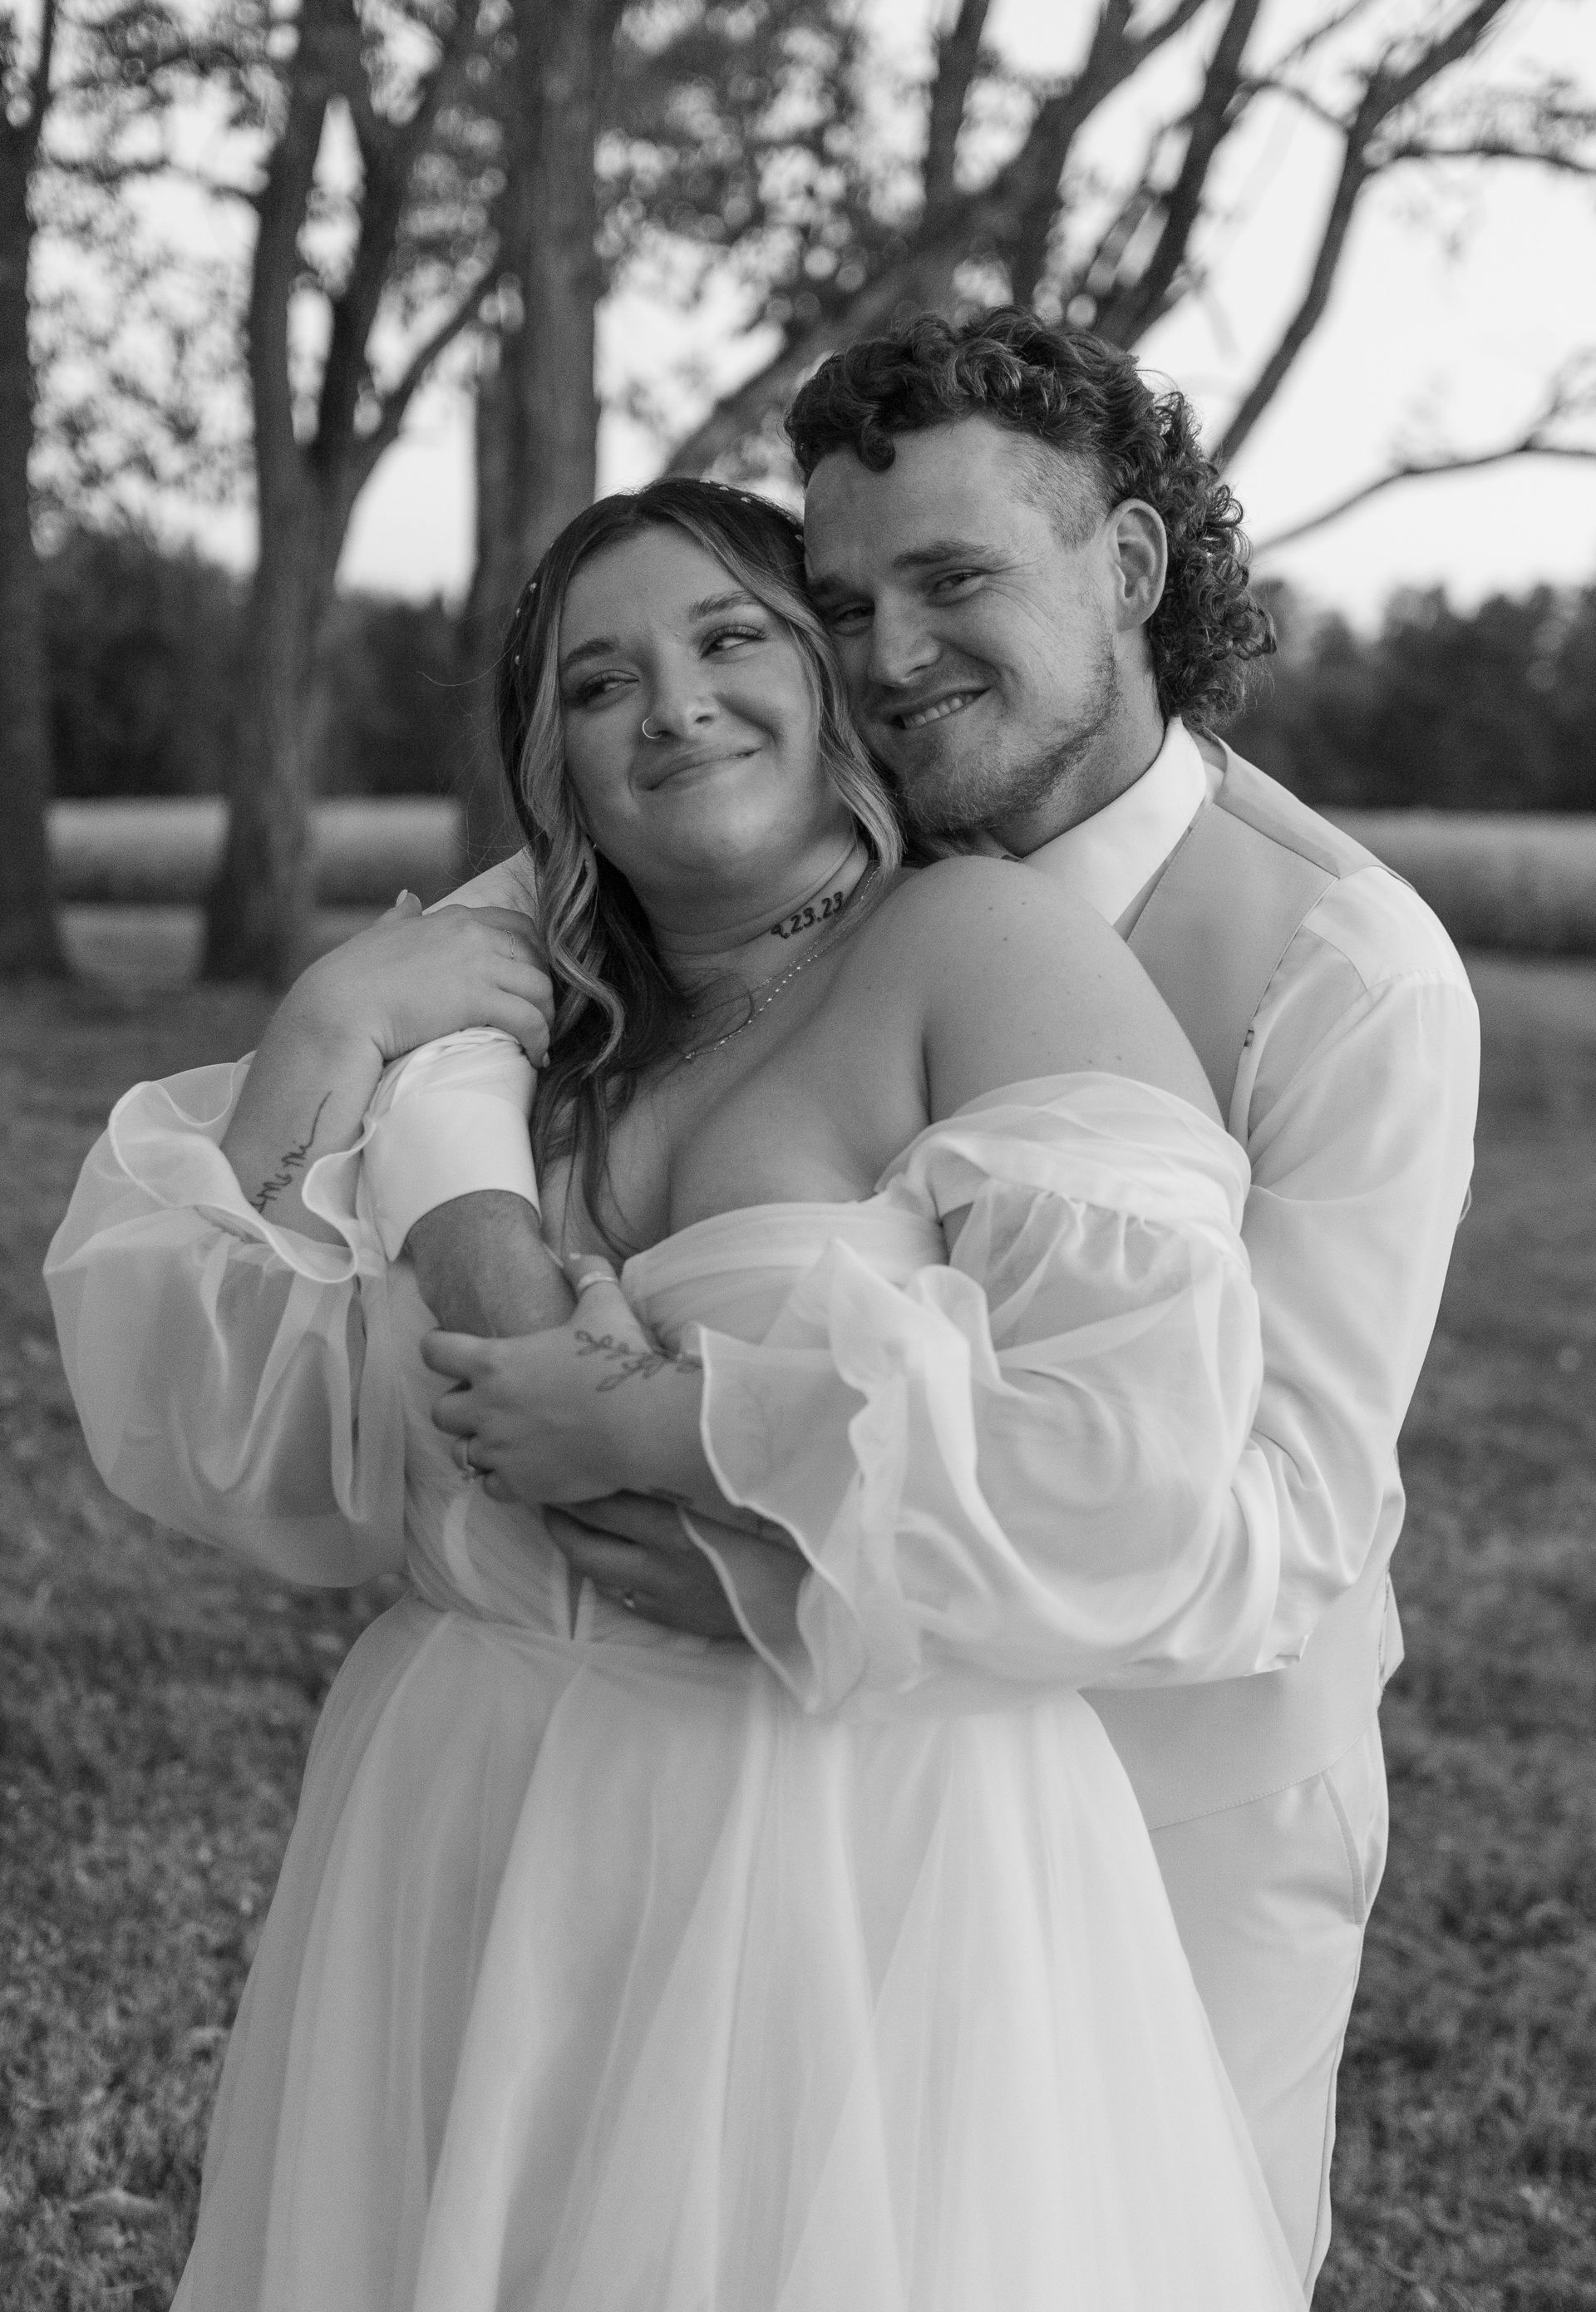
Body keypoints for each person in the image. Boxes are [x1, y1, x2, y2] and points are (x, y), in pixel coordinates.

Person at [46, 478, 1306, 2310]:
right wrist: (333, 1022)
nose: (673, 705)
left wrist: (675, 1421)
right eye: (597, 680)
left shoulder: (979, 949)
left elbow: (1134, 1454)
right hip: (474, 1799)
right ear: (551, 756)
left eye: (732, 640)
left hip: (841, 1838)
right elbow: (236, 1404)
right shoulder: (516, 1023)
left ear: (831, 682)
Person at [393, 313, 1481, 2292]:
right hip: (795, 1809)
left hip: (1181, 1800)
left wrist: (768, 1545)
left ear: (1130, 570)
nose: (886, 659)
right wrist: (371, 1024)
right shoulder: (817, 851)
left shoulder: (1345, 964)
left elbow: (1282, 1524)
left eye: (957, 580)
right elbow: (497, 949)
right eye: (843, 600)